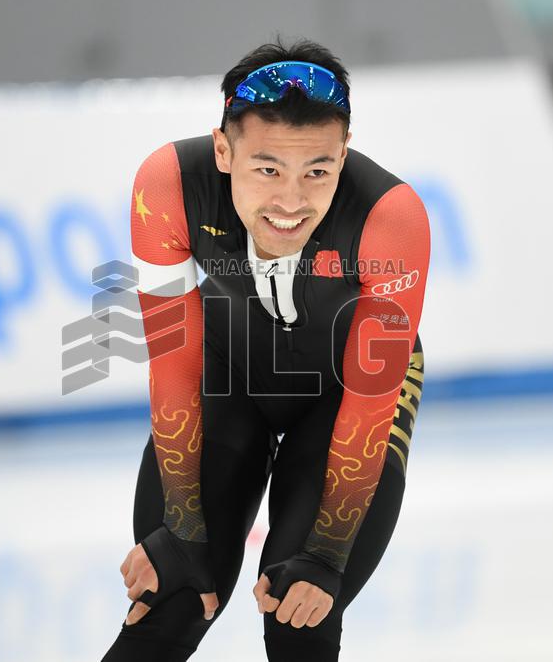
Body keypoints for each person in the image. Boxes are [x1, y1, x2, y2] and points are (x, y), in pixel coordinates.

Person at [103, 37, 430, 662]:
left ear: (344, 153)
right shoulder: (168, 185)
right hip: (227, 379)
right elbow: (174, 369)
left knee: (299, 612)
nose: (290, 201)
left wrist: (325, 556)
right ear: (224, 151)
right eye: (267, 168)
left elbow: (369, 404)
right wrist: (183, 531)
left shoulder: (393, 218)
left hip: (347, 398)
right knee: (169, 600)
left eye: (318, 172)